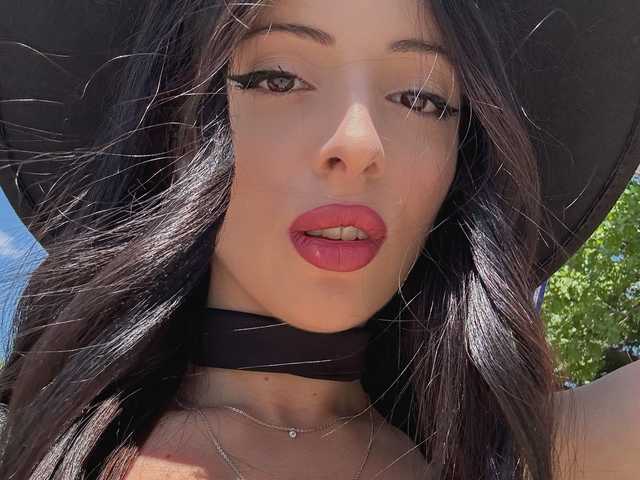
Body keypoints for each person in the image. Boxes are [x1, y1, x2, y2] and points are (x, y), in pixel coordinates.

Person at [0, 1, 638, 479]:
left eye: (421, 97)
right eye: (278, 78)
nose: (359, 143)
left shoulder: (518, 455)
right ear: (171, 117)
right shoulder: (40, 446)